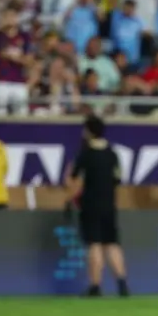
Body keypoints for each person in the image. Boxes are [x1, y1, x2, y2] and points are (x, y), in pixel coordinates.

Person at [66, 115, 130, 297]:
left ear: (88, 131)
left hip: (91, 204)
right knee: (112, 243)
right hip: (109, 205)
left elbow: (74, 180)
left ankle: (95, 286)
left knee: (94, 243)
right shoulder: (112, 154)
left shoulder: (85, 154)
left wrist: (69, 199)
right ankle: (122, 284)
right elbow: (117, 180)